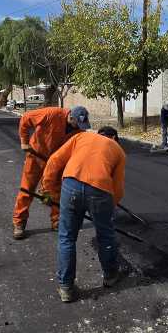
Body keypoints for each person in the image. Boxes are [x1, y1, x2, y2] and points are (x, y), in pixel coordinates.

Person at [41, 126, 126, 303]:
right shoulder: (118, 150)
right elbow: (117, 190)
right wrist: (109, 209)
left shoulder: (81, 137)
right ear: (114, 138)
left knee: (66, 237)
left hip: (71, 183)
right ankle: (110, 276)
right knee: (105, 236)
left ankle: (66, 288)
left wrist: (47, 190)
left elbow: (54, 161)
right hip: (100, 190)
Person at [11, 106, 91, 240]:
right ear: (70, 117)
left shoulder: (77, 131)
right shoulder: (51, 114)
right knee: (27, 190)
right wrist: (24, 142)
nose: (79, 128)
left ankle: (56, 221)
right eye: (78, 123)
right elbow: (25, 118)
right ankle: (19, 222)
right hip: (36, 156)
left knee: (56, 191)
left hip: (55, 162)